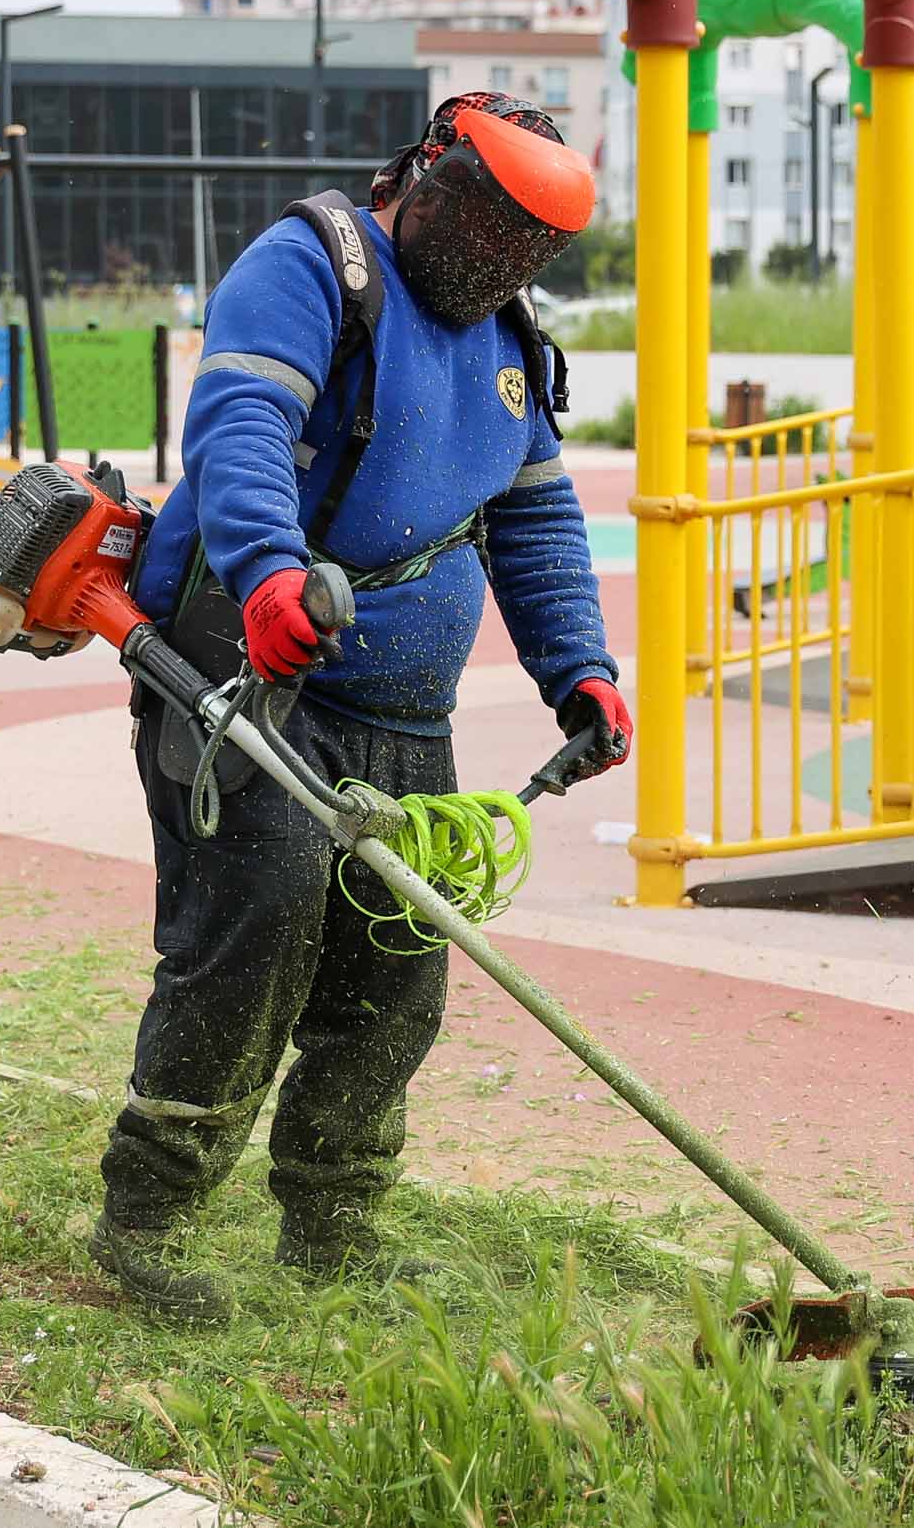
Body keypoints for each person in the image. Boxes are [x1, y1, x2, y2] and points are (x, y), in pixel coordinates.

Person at [97, 91, 631, 1322]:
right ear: (427, 176)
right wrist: (268, 572)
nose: (493, 264)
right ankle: (148, 1222)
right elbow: (241, 425)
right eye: (483, 230)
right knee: (257, 935)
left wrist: (580, 668)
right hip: (250, 676)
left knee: (394, 971)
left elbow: (535, 516)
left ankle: (332, 1225)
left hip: (406, 711)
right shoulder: (310, 267)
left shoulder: (506, 335)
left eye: (522, 251)